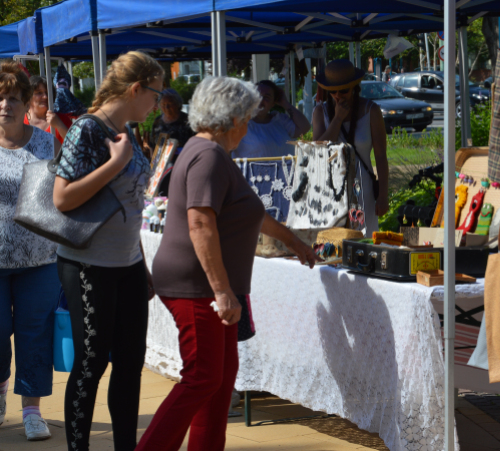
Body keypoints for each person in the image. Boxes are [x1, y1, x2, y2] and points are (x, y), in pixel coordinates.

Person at [135, 77, 319, 451]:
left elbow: (248, 212)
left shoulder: (211, 152)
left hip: (208, 285)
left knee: (219, 379)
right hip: (198, 285)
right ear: (233, 118)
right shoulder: (208, 155)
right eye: (248, 118)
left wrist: (293, 241)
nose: (249, 126)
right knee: (202, 378)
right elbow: (200, 223)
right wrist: (222, 291)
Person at [52, 51, 163, 451]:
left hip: (128, 264)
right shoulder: (87, 129)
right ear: (135, 89)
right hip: (88, 265)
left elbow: (130, 204)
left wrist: (143, 264)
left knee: (131, 364)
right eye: (155, 94)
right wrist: (115, 165)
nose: (157, 104)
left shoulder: (127, 131)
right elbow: (62, 198)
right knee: (91, 363)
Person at [0, 61, 61, 441]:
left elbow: (56, 197)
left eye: (11, 97)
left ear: (24, 102)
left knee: (34, 332)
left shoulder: (44, 140)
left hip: (39, 259)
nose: (4, 104)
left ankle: (33, 410)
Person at [312, 59, 389, 236]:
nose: (338, 96)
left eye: (344, 91)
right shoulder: (320, 112)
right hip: (329, 189)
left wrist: (383, 196)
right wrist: (337, 119)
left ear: (354, 87)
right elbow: (319, 152)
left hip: (362, 188)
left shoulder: (371, 110)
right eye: (332, 92)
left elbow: (381, 157)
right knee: (333, 243)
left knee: (362, 240)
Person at [232, 80, 310, 159]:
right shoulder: (240, 124)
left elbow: (304, 127)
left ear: (273, 103)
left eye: (267, 97)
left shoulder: (280, 120)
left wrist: (285, 103)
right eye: (257, 95)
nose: (261, 100)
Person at [24, 75, 70, 146]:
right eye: (39, 93)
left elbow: (77, 145)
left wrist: (59, 125)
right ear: (29, 96)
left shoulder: (62, 119)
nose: (45, 96)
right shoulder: (20, 121)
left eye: (47, 93)